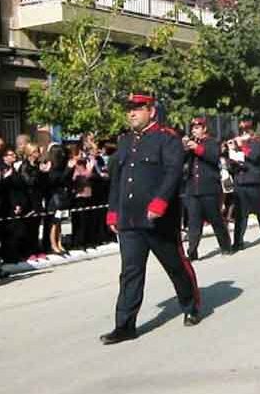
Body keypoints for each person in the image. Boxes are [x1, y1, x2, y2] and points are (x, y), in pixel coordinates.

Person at [100, 92, 201, 345]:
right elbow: (119, 180)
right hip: (130, 219)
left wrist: (160, 202)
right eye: (129, 109)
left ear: (151, 111)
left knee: (175, 265)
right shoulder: (124, 141)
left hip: (158, 218)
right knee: (130, 272)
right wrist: (113, 210)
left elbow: (173, 173)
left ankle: (190, 305)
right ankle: (125, 325)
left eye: (137, 108)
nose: (131, 113)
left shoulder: (167, 139)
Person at [184, 117, 233, 260]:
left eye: (197, 128)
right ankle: (192, 251)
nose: (194, 130)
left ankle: (225, 246)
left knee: (216, 219)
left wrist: (196, 148)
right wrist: (184, 148)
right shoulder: (191, 145)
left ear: (204, 129)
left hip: (209, 188)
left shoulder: (212, 142)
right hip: (193, 188)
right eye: (193, 128)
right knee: (194, 222)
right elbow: (182, 160)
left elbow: (213, 157)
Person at [229, 120, 260, 250]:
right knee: (240, 215)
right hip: (240, 182)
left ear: (252, 131)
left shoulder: (257, 143)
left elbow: (254, 157)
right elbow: (233, 163)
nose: (243, 133)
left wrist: (241, 146)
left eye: (246, 130)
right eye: (242, 130)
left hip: (253, 182)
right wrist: (232, 153)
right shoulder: (237, 145)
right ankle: (238, 242)